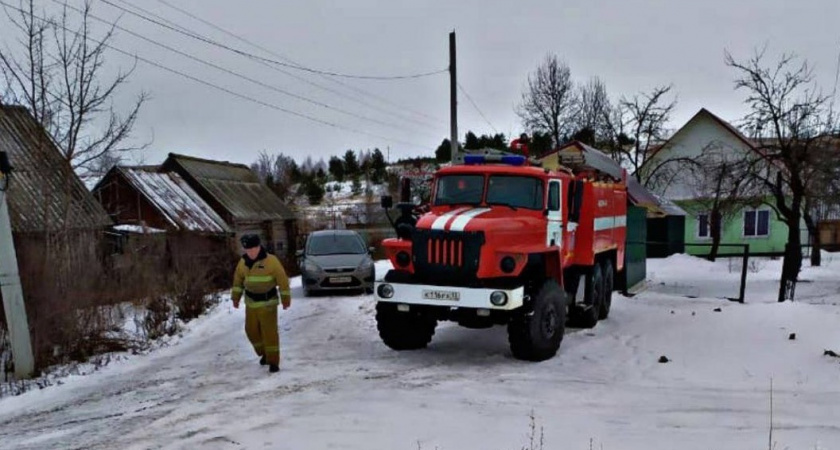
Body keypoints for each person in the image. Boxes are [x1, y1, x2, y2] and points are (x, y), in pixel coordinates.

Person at [231, 234, 291, 373]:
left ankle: (273, 362)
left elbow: (282, 280)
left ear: (259, 247)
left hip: (268, 303)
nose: (250, 252)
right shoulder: (243, 262)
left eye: (253, 249)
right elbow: (238, 280)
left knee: (269, 333)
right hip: (251, 303)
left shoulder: (271, 261)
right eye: (247, 249)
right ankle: (264, 353)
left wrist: (285, 299)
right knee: (251, 331)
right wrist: (236, 297)